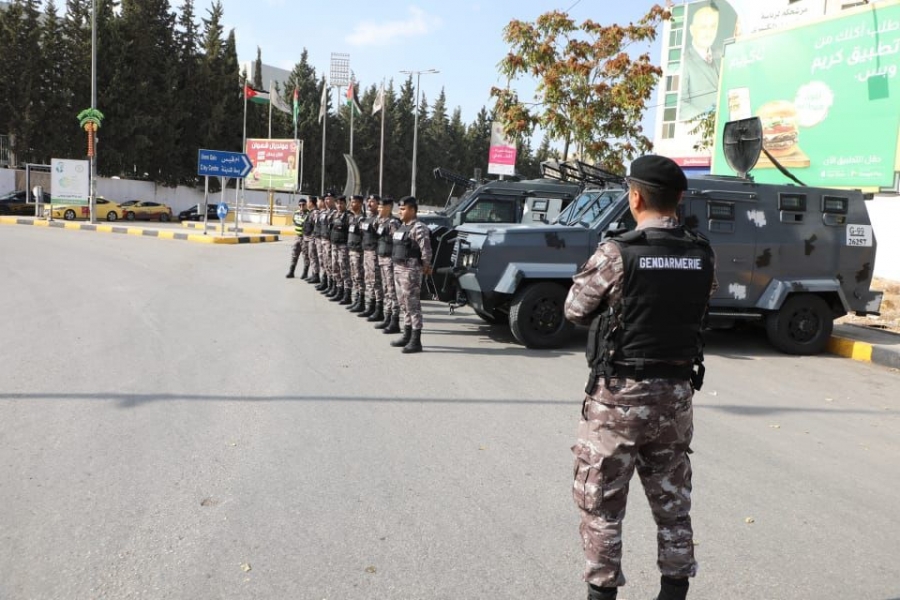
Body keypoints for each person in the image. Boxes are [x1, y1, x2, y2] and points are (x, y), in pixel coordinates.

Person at [564, 155, 716, 600]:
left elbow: (575, 310)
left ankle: (602, 593)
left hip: (618, 401)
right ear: (680, 199)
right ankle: (674, 592)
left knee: (602, 506)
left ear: (634, 197)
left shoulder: (616, 253)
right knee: (672, 505)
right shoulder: (702, 253)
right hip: (674, 397)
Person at [389, 196, 433, 353]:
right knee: (403, 304)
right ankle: (406, 335)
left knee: (413, 306)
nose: (400, 212)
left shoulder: (419, 228)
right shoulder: (402, 227)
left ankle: (416, 340)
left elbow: (426, 250)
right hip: (398, 269)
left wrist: (426, 266)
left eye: (403, 209)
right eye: (399, 209)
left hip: (410, 271)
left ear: (412, 210)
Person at [679, 3, 722, 122]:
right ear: (692, 30)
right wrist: (709, 118)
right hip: (700, 130)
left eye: (713, 26)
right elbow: (681, 105)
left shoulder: (722, 55)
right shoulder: (685, 61)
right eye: (703, 27)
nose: (709, 32)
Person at [375, 197, 401, 333]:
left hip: (390, 260)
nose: (378, 209)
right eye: (378, 206)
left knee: (392, 291)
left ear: (389, 207)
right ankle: (387, 317)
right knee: (386, 289)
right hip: (382, 259)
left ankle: (395, 321)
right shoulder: (380, 222)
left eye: (381, 207)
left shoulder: (393, 223)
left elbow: (397, 242)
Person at [359, 194, 384, 321]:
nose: (369, 204)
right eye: (368, 202)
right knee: (369, 281)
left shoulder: (379, 220)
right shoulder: (367, 219)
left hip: (374, 253)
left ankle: (379, 310)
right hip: (366, 252)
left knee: (376, 282)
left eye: (372, 202)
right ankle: (371, 307)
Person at [329, 195, 352, 304]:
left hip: (343, 246)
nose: (339, 205)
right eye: (337, 203)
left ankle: (347, 294)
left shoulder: (348, 216)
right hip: (334, 245)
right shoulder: (334, 215)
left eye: (341, 203)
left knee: (344, 270)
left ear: (345, 204)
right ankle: (338, 290)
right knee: (335, 268)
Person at [346, 195, 366, 312]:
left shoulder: (362, 219)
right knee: (354, 277)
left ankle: (361, 301)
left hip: (358, 252)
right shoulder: (353, 218)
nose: (351, 204)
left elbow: (364, 237)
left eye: (353, 202)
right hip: (352, 251)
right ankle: (357, 299)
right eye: (351, 202)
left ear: (359, 204)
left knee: (359, 277)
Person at [285, 197, 308, 279]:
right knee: (294, 255)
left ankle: (305, 273)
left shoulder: (309, 214)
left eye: (303, 205)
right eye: (300, 205)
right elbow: (295, 222)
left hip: (305, 238)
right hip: (297, 237)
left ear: (306, 205)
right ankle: (291, 271)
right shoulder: (296, 213)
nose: (301, 206)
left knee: (306, 256)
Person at [303, 195, 320, 284]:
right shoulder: (311, 212)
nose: (307, 203)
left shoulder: (315, 213)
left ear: (311, 202)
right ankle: (313, 274)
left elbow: (317, 226)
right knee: (311, 256)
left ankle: (316, 275)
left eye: (307, 201)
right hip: (309, 238)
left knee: (313, 256)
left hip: (312, 238)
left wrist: (314, 237)